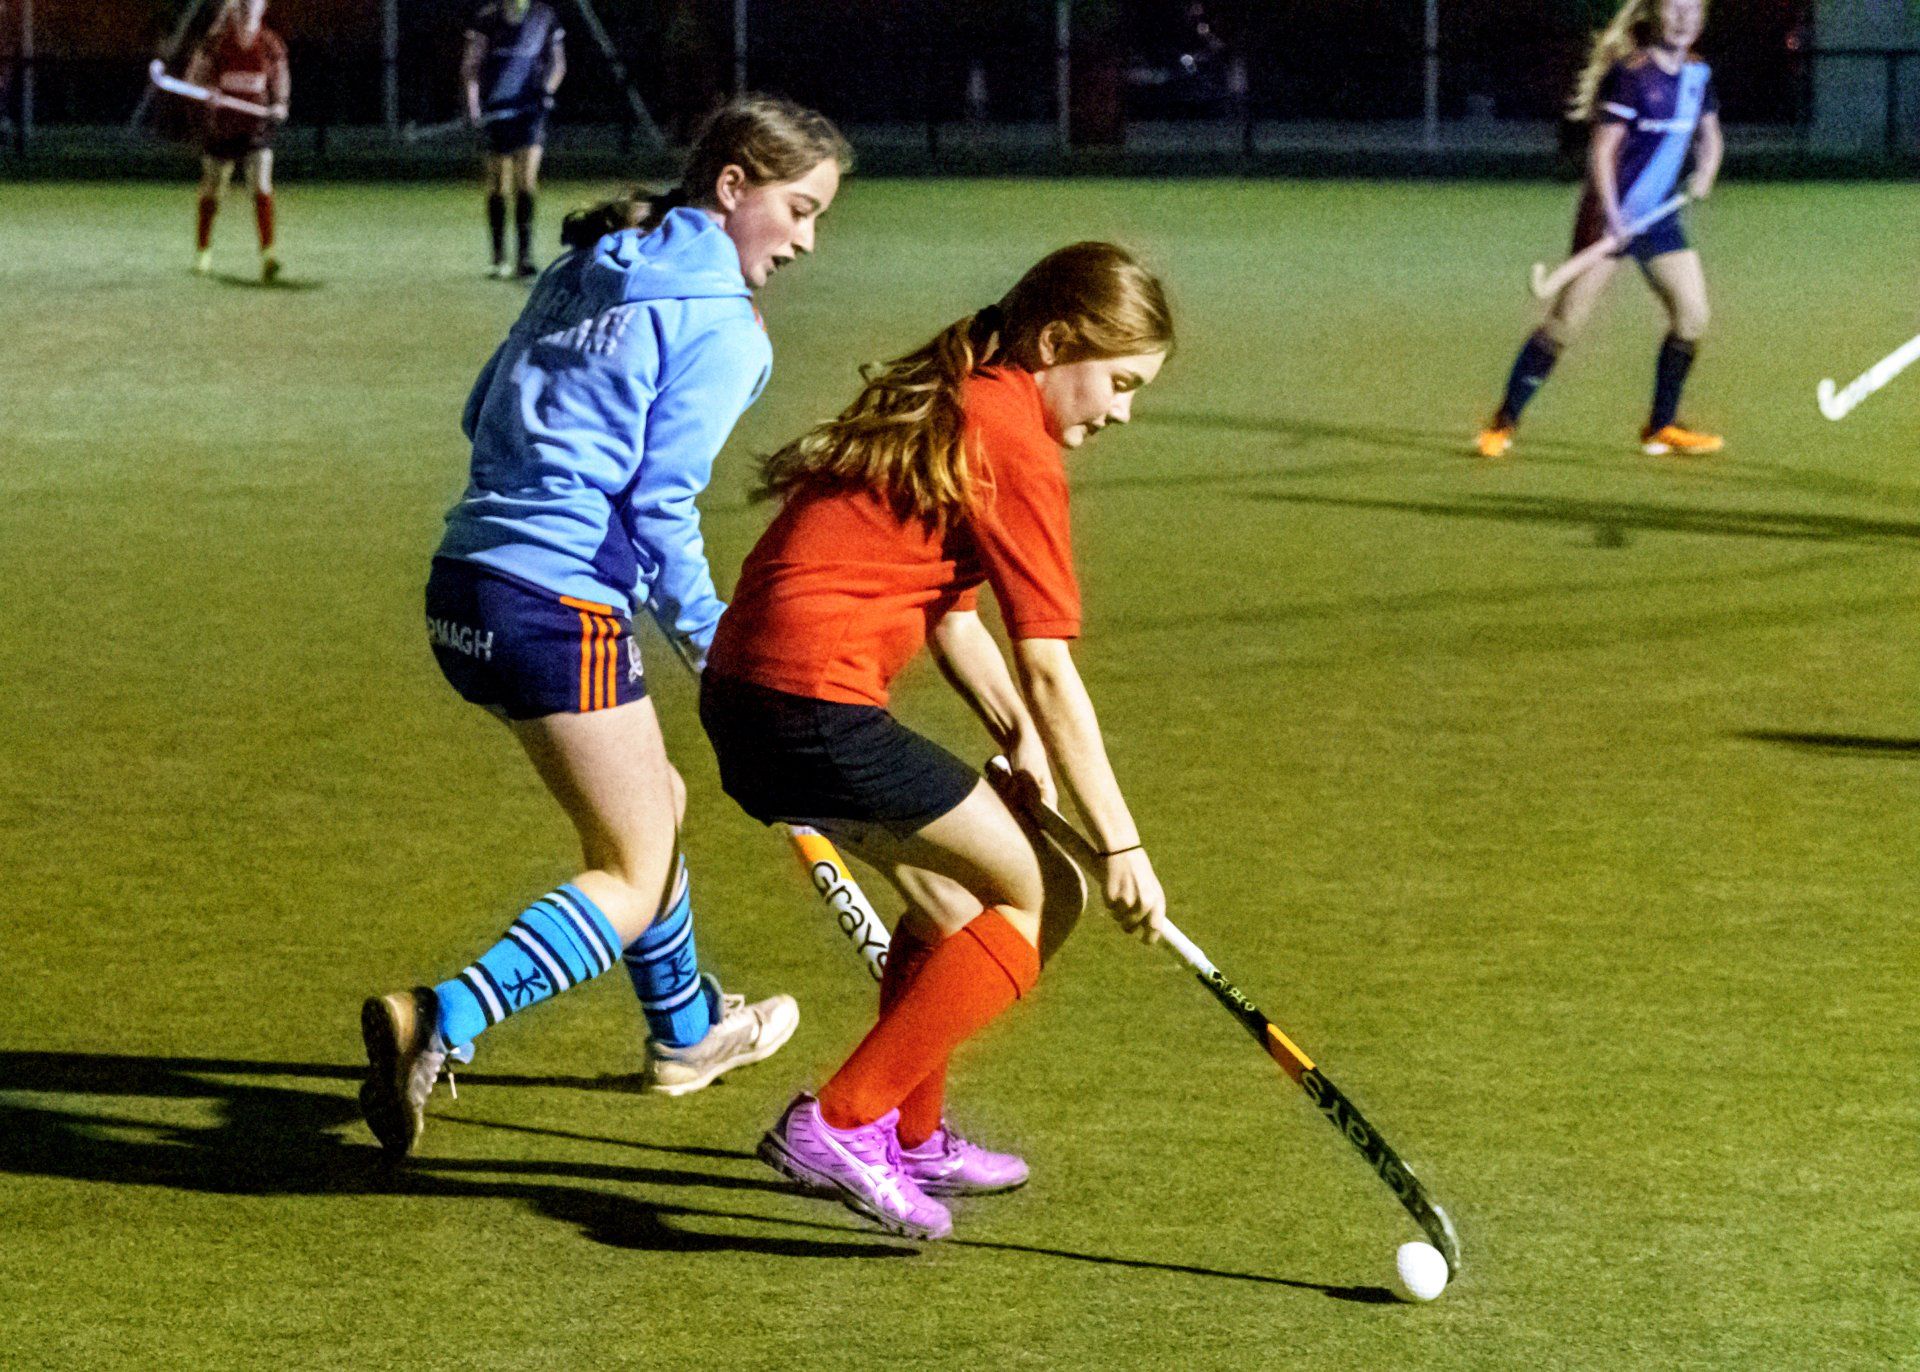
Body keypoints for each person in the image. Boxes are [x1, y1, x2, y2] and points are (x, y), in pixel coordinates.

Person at [358, 96, 851, 1159]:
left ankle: (686, 1032)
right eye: (800, 209)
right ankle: (443, 1016)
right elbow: (660, 508)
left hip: (464, 587)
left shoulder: (586, 265)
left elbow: (481, 409)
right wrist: (725, 654)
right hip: (555, 603)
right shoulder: (723, 326)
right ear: (733, 187)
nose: (807, 240)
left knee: (657, 803)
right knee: (632, 870)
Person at [698, 242, 1173, 1239]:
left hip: (752, 698)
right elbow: (1049, 666)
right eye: (1121, 382)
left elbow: (954, 619)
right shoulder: (1015, 437)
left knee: (955, 905)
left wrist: (1020, 743)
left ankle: (910, 1137)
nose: (1123, 412)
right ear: (1058, 343)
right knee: (1044, 894)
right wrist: (1122, 843)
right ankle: (839, 1123)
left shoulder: (964, 397)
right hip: (809, 703)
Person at [1477, 0, 1724, 459]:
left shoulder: (1697, 74)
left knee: (1693, 317)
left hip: (1659, 216)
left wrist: (1706, 170)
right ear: (1655, 14)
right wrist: (1612, 214)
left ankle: (1661, 426)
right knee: (1564, 324)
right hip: (1609, 212)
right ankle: (1503, 422)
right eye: (1674, 9)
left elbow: (1710, 136)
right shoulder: (1630, 75)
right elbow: (1603, 151)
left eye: (1693, 10)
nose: (1684, 19)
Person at [185, 0, 289, 283]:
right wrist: (207, 93)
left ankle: (268, 257)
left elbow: (280, 81)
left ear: (263, 7)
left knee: (261, 185)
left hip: (256, 129)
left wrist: (280, 104)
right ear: (232, 8)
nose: (247, 8)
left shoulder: (271, 45)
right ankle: (203, 252)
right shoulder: (215, 43)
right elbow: (193, 80)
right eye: (242, 4)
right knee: (213, 189)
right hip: (222, 129)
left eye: (252, 4)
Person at [462, 0, 566, 278]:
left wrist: (546, 91)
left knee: (526, 182)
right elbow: (471, 67)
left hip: (530, 112)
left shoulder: (544, 16)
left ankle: (524, 258)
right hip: (496, 109)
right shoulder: (487, 18)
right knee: (498, 185)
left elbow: (558, 63)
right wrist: (474, 107)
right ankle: (498, 259)